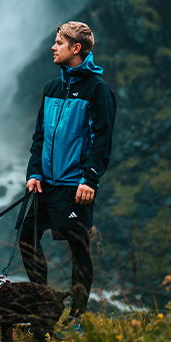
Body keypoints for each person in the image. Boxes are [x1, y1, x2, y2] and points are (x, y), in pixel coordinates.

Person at [20, 21, 116, 322]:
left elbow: (103, 139)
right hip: (43, 184)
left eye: (59, 42)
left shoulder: (98, 90)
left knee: (78, 248)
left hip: (75, 186)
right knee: (25, 235)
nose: (53, 47)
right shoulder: (53, 88)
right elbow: (40, 136)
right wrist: (33, 172)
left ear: (76, 48)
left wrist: (90, 178)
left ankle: (76, 316)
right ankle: (43, 305)